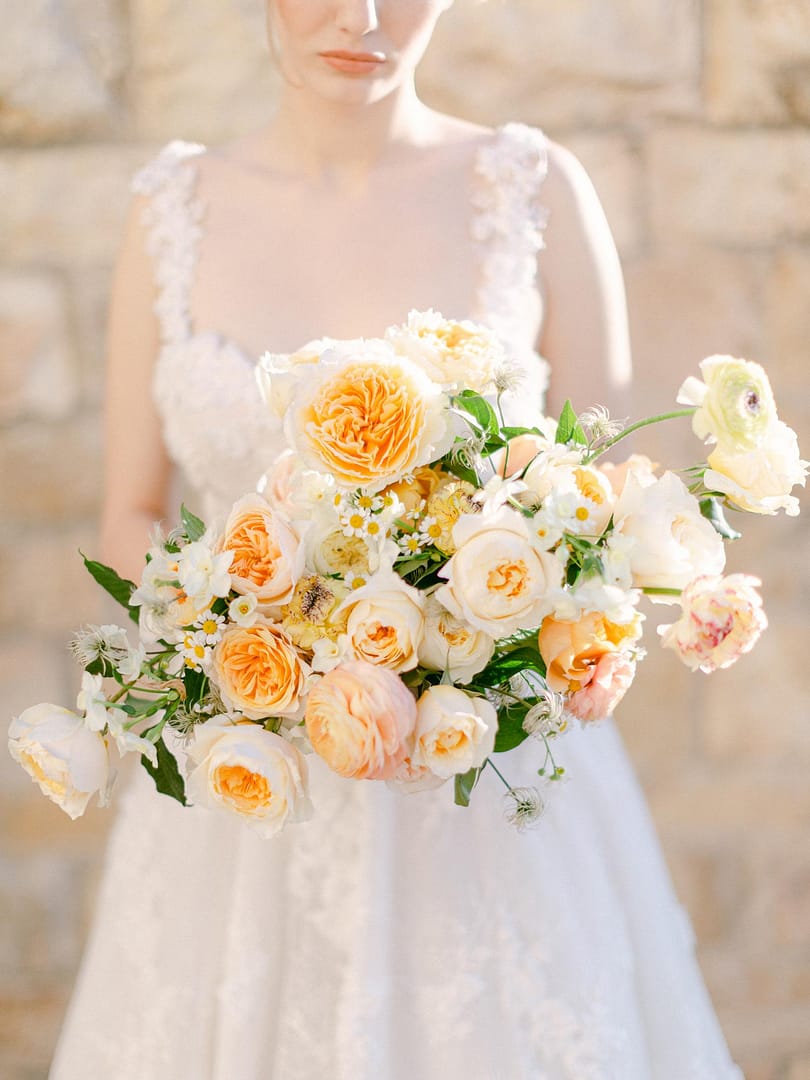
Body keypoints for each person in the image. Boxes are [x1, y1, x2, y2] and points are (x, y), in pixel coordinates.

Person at [50, 2, 742, 1077]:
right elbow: (130, 517)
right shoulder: (171, 208)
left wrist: (467, 635)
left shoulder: (536, 190)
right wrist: (271, 654)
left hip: (486, 773)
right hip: (253, 772)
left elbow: (600, 497)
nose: (363, 18)